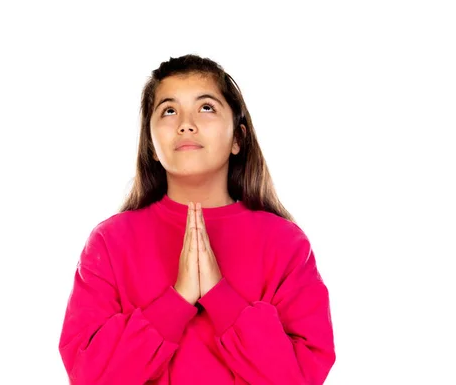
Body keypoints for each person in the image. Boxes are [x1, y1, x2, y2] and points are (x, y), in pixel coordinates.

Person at [58, 54, 336, 384]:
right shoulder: (109, 241)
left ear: (238, 138)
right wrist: (176, 300)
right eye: (169, 110)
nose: (185, 124)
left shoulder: (285, 243)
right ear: (151, 145)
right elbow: (88, 377)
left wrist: (220, 295)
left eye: (206, 108)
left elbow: (298, 378)